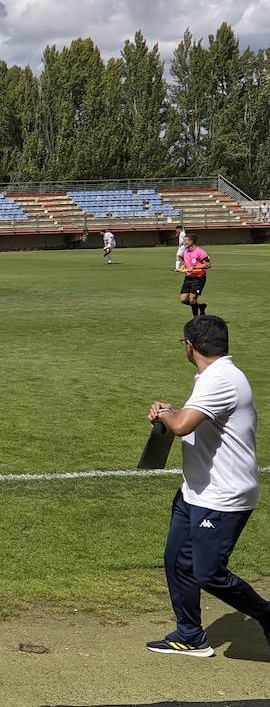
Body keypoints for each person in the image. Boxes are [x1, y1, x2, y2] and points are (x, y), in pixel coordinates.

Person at [146, 315, 270, 658]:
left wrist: (169, 415)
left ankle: (265, 613)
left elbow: (184, 425)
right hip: (196, 490)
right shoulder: (212, 375)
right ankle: (190, 635)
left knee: (208, 573)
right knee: (177, 560)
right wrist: (169, 410)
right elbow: (192, 416)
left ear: (190, 346)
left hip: (223, 496)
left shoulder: (222, 379)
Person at [179, 234, 211, 317]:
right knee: (183, 299)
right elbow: (185, 262)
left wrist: (194, 267)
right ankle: (201, 306)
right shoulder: (186, 252)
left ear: (191, 241)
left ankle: (196, 318)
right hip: (188, 277)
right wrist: (183, 266)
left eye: (185, 241)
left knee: (192, 299)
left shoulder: (200, 252)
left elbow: (207, 264)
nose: (184, 242)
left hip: (199, 278)